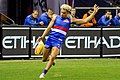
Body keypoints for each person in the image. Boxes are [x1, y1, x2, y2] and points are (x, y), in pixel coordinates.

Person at [37, 4, 99, 79]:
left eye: (64, 13)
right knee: (44, 59)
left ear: (68, 13)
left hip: (58, 41)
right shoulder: (55, 17)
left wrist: (94, 12)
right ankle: (50, 58)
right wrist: (42, 37)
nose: (62, 14)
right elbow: (49, 27)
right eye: (61, 12)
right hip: (50, 39)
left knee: (53, 56)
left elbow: (85, 20)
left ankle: (43, 73)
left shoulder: (70, 20)